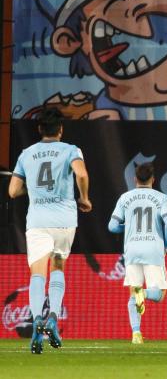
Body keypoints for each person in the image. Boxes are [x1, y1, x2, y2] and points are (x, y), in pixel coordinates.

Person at [8, 107, 91, 354]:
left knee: (37, 273)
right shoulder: (70, 150)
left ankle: (36, 322)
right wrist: (84, 197)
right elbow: (82, 174)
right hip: (64, 220)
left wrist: (32, 190)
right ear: (61, 130)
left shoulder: (26, 154)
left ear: (40, 129)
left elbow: (12, 191)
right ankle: (53, 315)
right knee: (58, 265)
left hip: (38, 221)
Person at [108, 163, 167, 344]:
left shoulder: (125, 198)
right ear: (153, 179)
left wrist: (127, 226)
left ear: (135, 179)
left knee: (133, 291)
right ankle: (143, 294)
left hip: (132, 250)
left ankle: (136, 333)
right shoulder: (161, 198)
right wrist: (165, 245)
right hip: (153, 248)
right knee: (159, 294)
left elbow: (112, 226)